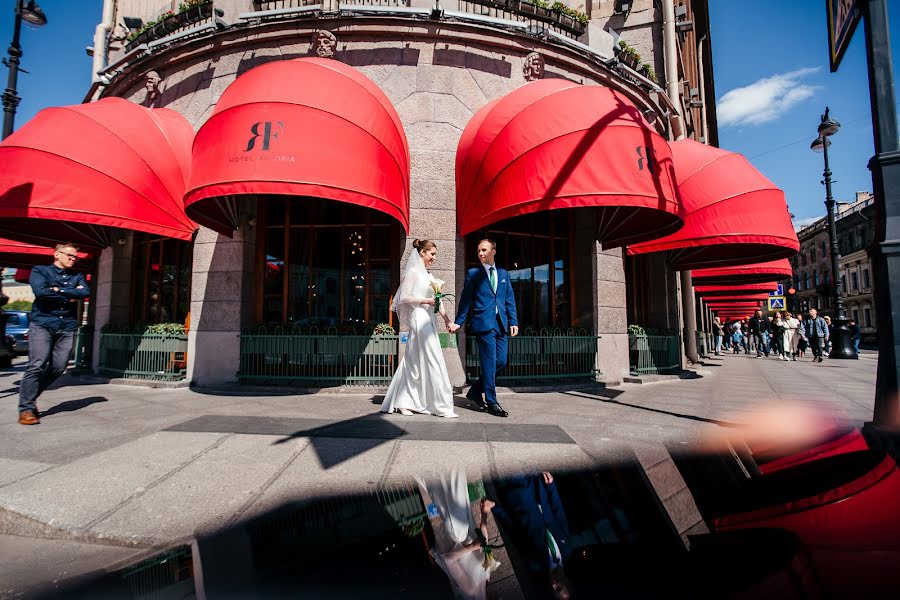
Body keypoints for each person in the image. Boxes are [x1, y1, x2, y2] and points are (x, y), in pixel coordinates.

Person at [380, 239, 458, 418]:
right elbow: (404, 298)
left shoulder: (429, 275)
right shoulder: (414, 273)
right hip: (419, 317)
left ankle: (405, 401)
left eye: (435, 254)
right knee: (432, 357)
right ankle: (440, 405)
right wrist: (425, 301)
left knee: (414, 360)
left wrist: (447, 320)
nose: (434, 257)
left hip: (429, 318)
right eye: (432, 254)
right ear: (422, 252)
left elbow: (438, 301)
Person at [17, 243, 91, 425]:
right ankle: (26, 409)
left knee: (59, 366)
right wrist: (71, 294)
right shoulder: (40, 271)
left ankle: (31, 395)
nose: (73, 259)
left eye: (75, 257)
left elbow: (86, 292)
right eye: (69, 255)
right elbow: (41, 292)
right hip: (42, 323)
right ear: (57, 254)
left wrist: (59, 290)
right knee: (37, 364)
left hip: (67, 325)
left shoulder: (77, 275)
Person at [453, 239, 518, 418]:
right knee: (489, 363)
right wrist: (459, 321)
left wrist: (513, 321)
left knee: (501, 361)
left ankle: (475, 391)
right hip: (484, 323)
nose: (481, 253)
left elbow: (509, 299)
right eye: (479, 250)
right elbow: (466, 299)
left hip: (501, 324)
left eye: (484, 250)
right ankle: (491, 401)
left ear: (493, 251)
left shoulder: (504, 273)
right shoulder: (473, 273)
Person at [490, 472, 572, 600]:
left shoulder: (535, 563)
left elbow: (514, 533)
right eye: (559, 587)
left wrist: (496, 509)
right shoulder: (567, 548)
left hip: (515, 494)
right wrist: (551, 487)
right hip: (537, 488)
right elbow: (559, 514)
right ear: (567, 580)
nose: (553, 585)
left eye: (553, 590)